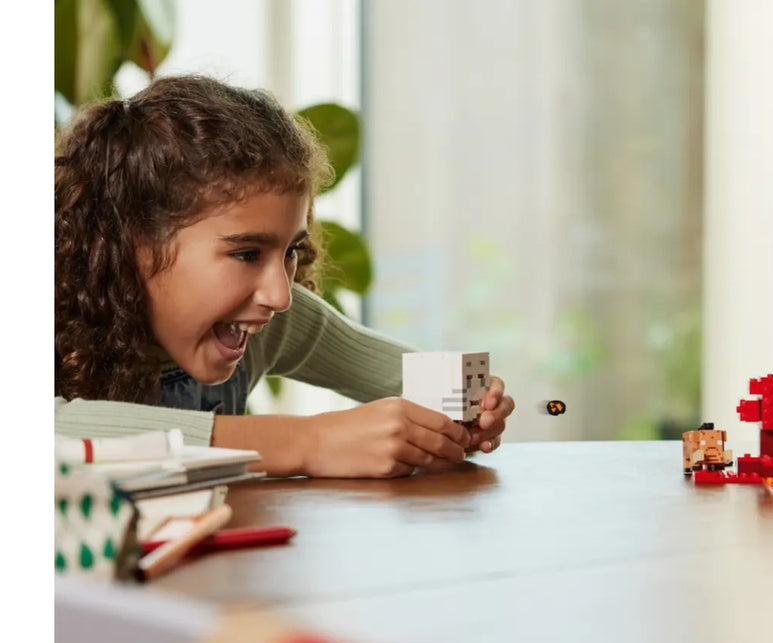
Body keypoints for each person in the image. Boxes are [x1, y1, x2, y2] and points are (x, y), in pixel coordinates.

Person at [55, 75, 515, 478]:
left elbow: (411, 381)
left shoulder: (253, 324)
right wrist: (307, 442)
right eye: (246, 253)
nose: (280, 296)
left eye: (291, 250)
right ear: (132, 244)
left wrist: (468, 406)